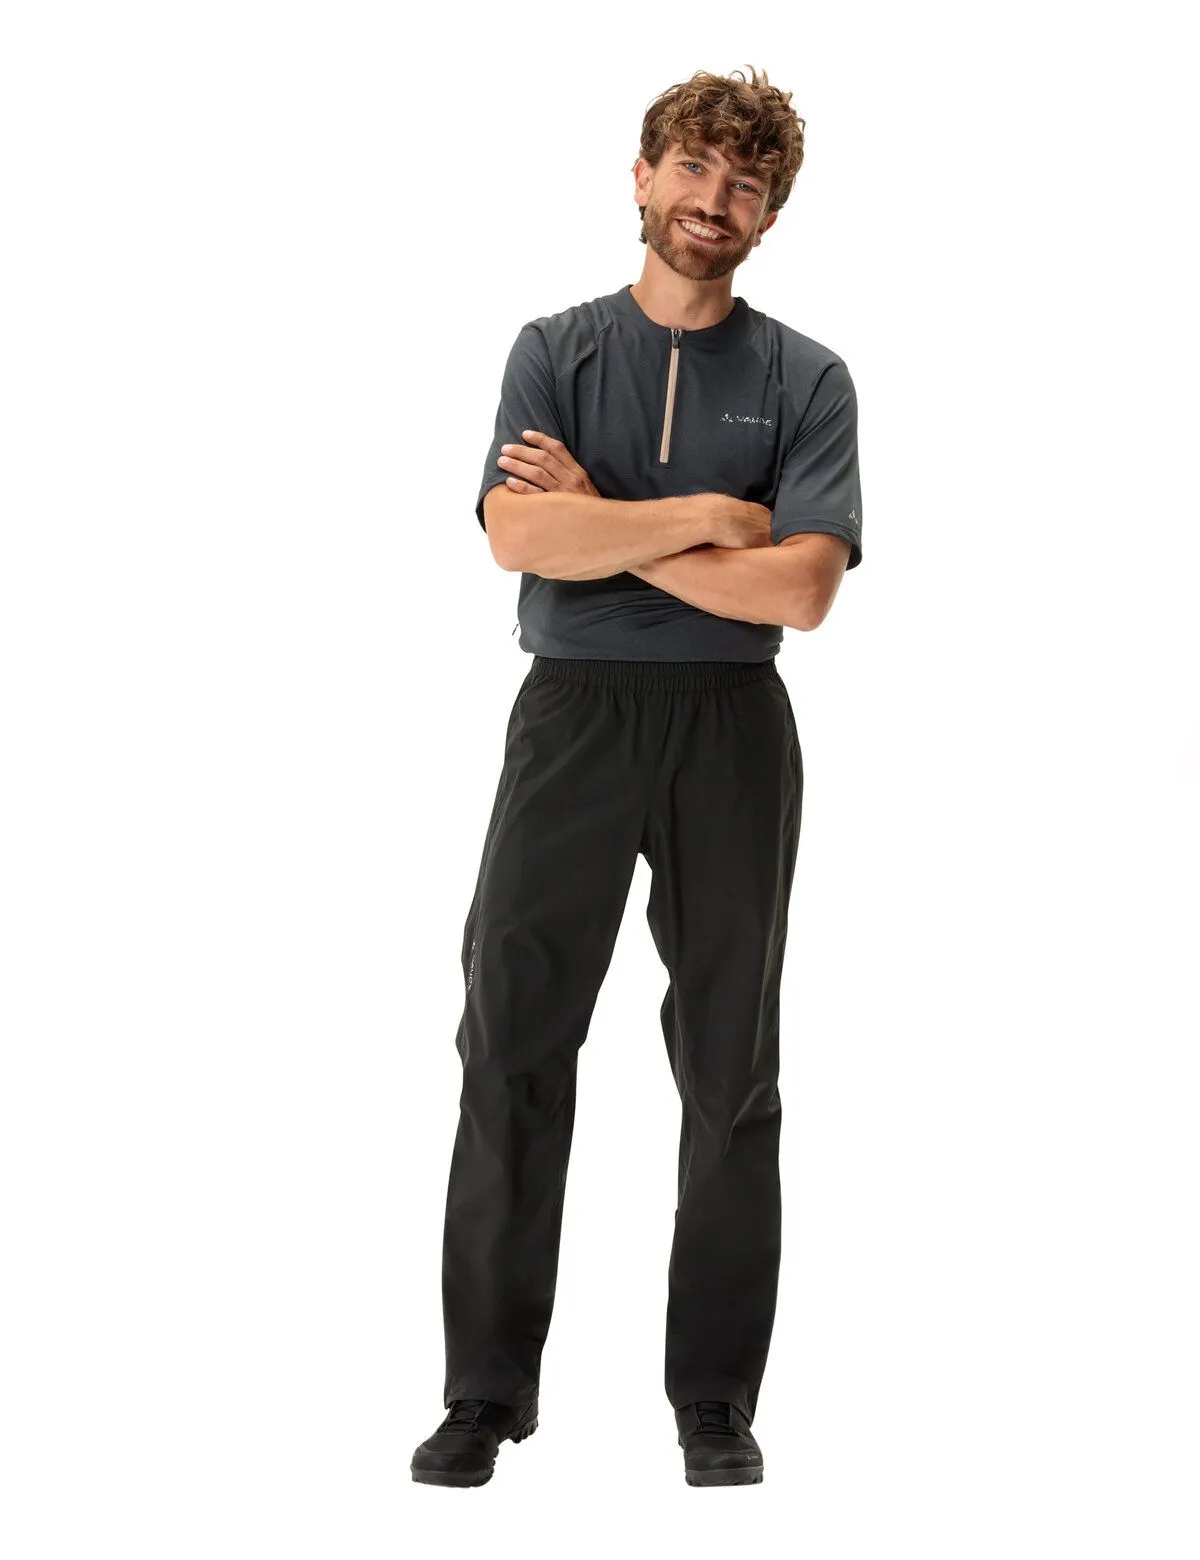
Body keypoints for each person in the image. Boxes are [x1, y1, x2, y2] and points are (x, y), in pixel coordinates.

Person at [410, 64, 863, 1490]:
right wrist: (701, 524)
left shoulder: (806, 379)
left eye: (746, 186)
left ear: (769, 216)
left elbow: (800, 592)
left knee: (731, 1066)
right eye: (694, 170)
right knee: (511, 1042)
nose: (713, 202)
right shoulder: (554, 350)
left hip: (733, 727)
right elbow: (517, 541)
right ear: (644, 175)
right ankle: (485, 1390)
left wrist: (606, 521)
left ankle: (714, 1402)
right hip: (573, 719)